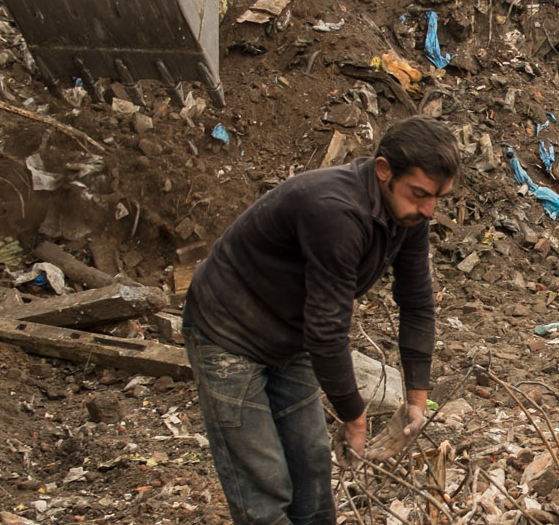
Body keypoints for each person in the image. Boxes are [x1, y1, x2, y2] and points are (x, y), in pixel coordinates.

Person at [184, 116, 457, 525]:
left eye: (438, 197)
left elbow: (417, 302)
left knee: (312, 469)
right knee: (264, 484)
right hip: (229, 330)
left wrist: (416, 402)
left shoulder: (408, 214)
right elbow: (327, 331)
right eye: (419, 194)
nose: (428, 209)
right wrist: (354, 415)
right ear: (384, 170)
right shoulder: (335, 211)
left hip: (290, 335)